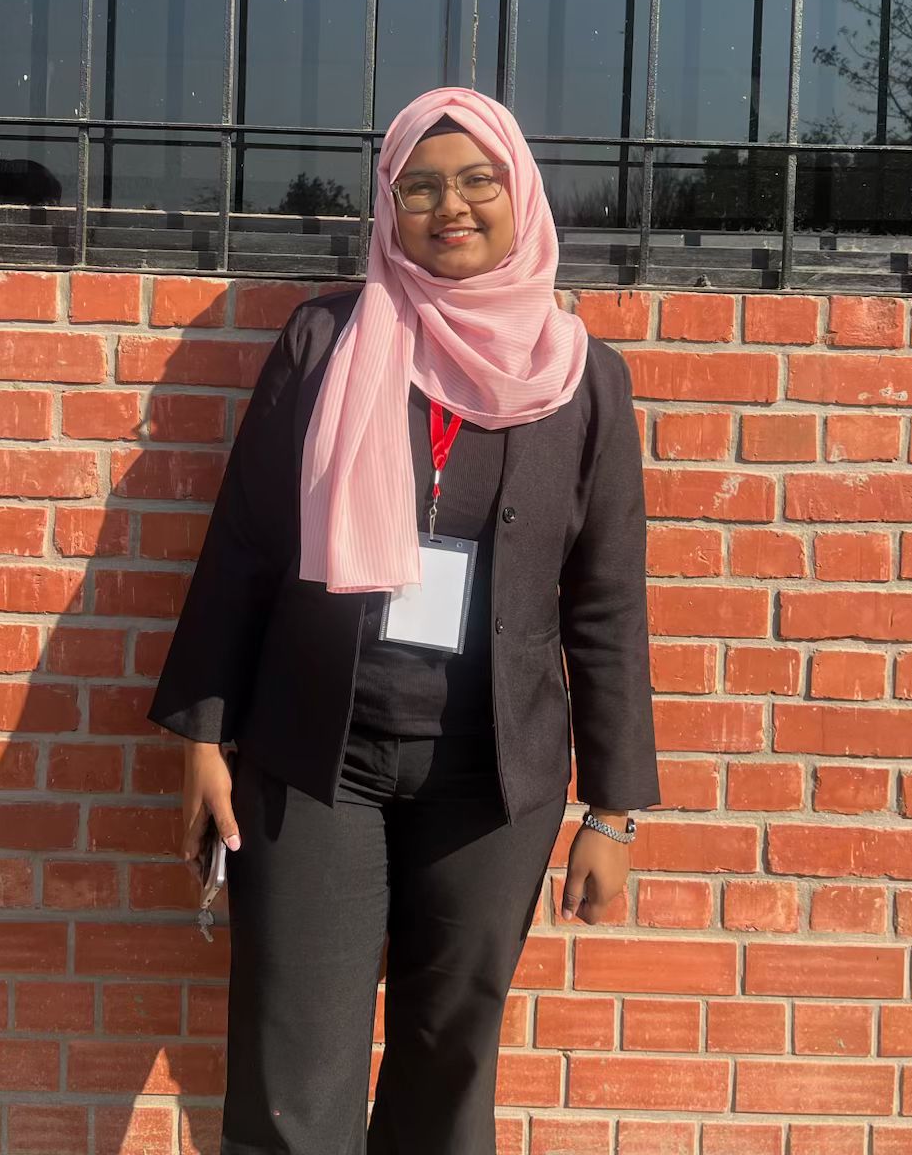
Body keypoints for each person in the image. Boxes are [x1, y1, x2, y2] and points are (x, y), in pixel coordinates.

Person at [148, 85, 659, 1155]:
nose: (450, 206)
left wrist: (612, 813)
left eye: (478, 181)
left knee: (447, 1062)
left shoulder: (585, 383)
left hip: (492, 780)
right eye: (420, 187)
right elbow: (245, 545)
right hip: (314, 758)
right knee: (294, 1074)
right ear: (389, 207)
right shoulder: (326, 340)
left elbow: (607, 602)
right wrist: (202, 738)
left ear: (523, 195)